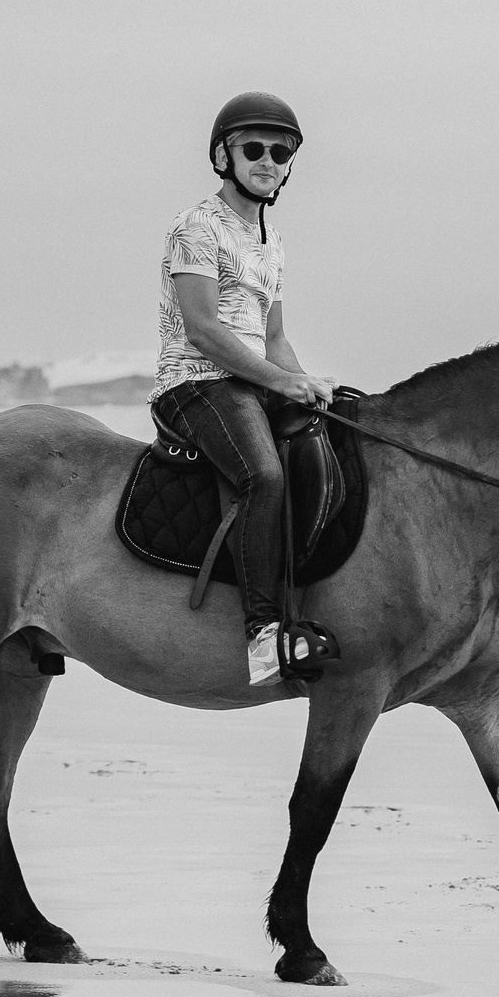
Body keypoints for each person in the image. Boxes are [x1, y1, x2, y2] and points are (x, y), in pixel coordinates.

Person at [151, 91, 340, 686]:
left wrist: (305, 385)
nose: (268, 161)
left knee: (332, 444)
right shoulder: (196, 226)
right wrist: (280, 380)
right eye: (253, 149)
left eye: (280, 153)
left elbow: (273, 336)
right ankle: (263, 634)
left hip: (253, 383)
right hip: (196, 382)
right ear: (222, 157)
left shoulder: (271, 242)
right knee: (265, 475)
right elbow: (204, 330)